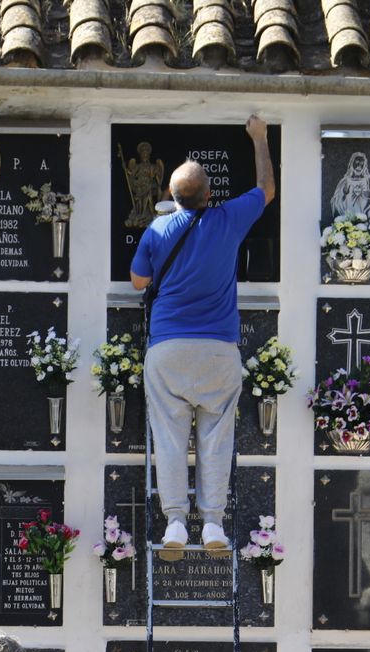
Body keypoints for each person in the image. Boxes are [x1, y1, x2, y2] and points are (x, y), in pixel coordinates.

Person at [130, 116, 275, 562]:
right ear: (211, 195)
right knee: (216, 434)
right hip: (218, 350)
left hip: (169, 349)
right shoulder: (228, 218)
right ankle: (212, 520)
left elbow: (139, 282)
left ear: (172, 198)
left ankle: (175, 521)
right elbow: (267, 188)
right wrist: (260, 139)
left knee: (171, 437)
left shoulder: (157, 230)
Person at [330, 151, 370, 227]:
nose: (359, 166)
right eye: (356, 162)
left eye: (361, 163)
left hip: (368, 223)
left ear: (364, 166)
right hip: (349, 224)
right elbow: (335, 202)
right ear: (351, 164)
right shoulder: (345, 182)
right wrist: (343, 194)